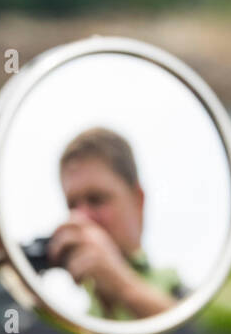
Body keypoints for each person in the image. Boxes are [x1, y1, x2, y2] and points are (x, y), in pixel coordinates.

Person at [47, 127, 180, 319]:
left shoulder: (181, 291)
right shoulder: (75, 319)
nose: (80, 219)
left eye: (96, 199)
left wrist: (122, 285)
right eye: (72, 206)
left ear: (138, 201)